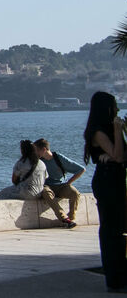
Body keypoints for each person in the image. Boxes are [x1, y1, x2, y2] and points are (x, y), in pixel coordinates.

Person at [85, 91, 126, 292]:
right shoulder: (98, 132)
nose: (117, 110)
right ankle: (115, 279)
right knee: (112, 230)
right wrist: (118, 130)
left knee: (118, 228)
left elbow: (120, 156)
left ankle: (120, 275)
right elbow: (118, 156)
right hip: (107, 181)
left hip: (115, 178)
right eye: (114, 106)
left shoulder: (108, 130)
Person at [34, 138, 84, 227]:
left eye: (37, 150)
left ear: (44, 149)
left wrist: (68, 183)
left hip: (61, 186)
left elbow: (81, 169)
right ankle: (64, 218)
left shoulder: (58, 158)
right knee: (46, 192)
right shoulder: (38, 161)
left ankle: (71, 218)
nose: (35, 153)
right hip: (46, 186)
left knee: (75, 193)